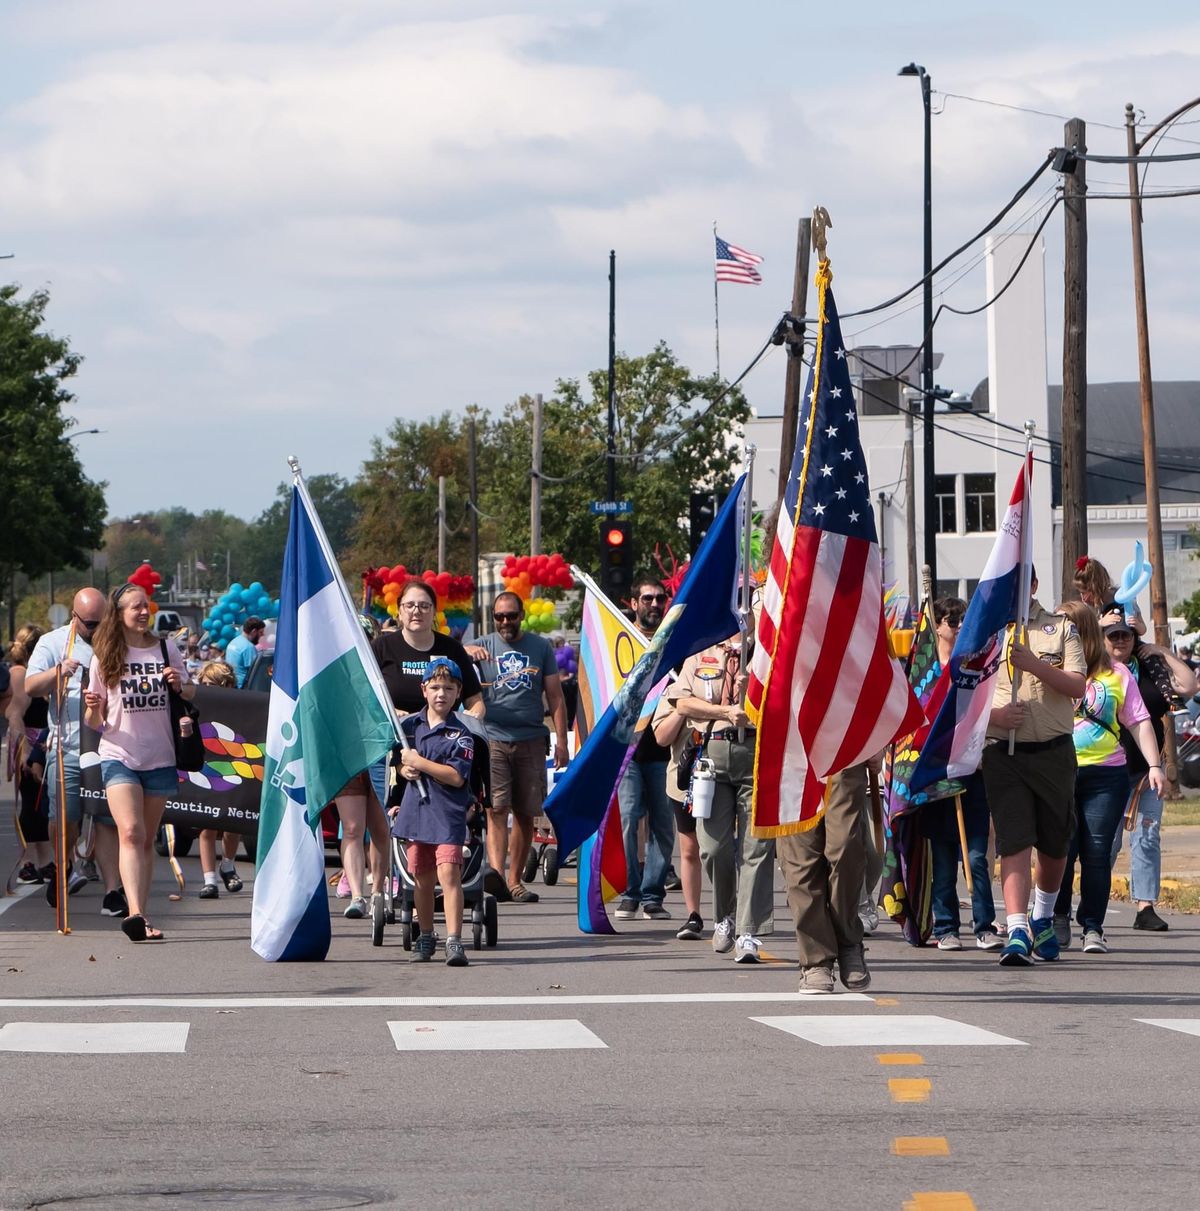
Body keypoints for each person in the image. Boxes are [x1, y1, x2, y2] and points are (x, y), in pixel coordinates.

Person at [982, 572, 1087, 966]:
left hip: (1053, 752)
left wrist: (1032, 664)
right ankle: (1016, 928)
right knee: (1014, 839)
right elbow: (965, 693)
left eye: (1021, 582)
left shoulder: (1060, 629)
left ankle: (1042, 914)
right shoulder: (986, 633)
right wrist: (996, 716)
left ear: (1034, 585)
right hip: (1003, 754)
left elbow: (1077, 685)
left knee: (1055, 842)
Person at [83, 582, 195, 942]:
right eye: (135, 607)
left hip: (160, 756)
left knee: (145, 840)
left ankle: (142, 913)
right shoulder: (104, 656)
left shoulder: (167, 649)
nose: (144, 612)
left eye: (146, 606)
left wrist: (179, 682)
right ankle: (135, 915)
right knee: (130, 832)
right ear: (119, 615)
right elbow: (94, 724)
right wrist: (92, 708)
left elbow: (191, 693)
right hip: (118, 756)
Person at [1050, 603, 1164, 954]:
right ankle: (1057, 917)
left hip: (1107, 775)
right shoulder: (1052, 670)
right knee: (1063, 852)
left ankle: (1093, 927)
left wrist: (1155, 765)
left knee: (1097, 853)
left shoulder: (1117, 674)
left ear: (1081, 631)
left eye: (1064, 627)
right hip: (1059, 772)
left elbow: (1139, 721)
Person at [667, 635, 775, 960]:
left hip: (757, 751)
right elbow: (682, 702)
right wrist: (725, 710)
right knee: (713, 849)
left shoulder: (769, 651)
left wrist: (752, 692)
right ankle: (725, 915)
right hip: (712, 753)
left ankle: (748, 931)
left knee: (756, 848)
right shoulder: (702, 653)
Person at [24, 588, 125, 916]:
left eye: (101, 622)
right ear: (74, 617)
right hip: (67, 746)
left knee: (107, 819)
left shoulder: (117, 641)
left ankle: (112, 891)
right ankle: (63, 864)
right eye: (89, 624)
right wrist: (59, 671)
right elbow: (29, 687)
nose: (96, 630)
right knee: (64, 819)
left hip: (112, 747)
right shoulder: (53, 643)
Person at [465, 592, 568, 905]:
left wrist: (562, 739)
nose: (505, 622)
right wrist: (463, 650)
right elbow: (445, 659)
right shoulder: (483, 645)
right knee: (496, 809)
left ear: (521, 615)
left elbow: (556, 696)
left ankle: (514, 880)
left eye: (511, 615)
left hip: (531, 738)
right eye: (500, 617)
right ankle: (495, 875)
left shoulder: (540, 647)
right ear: (493, 618)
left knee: (525, 812)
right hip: (493, 737)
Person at [1104, 619, 1195, 933]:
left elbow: (1190, 685)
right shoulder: (1095, 670)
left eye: (1125, 635)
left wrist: (1160, 650)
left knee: (1147, 837)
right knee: (1107, 842)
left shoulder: (1149, 668)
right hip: (1107, 770)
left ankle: (1145, 907)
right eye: (1113, 635)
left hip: (1147, 771)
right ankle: (1093, 903)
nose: (1120, 641)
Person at [923, 598, 1002, 952]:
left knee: (975, 855)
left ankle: (984, 924)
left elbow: (983, 712)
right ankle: (946, 926)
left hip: (973, 771)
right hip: (937, 775)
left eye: (962, 622)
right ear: (937, 625)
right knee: (942, 857)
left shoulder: (974, 669)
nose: (957, 627)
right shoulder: (926, 673)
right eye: (951, 621)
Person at [391, 657, 476, 967]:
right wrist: (405, 769)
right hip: (416, 814)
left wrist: (419, 763)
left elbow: (456, 776)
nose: (441, 694)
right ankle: (426, 935)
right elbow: (399, 765)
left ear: (458, 693)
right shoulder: (409, 728)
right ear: (423, 689)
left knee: (449, 875)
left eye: (449, 688)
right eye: (436, 687)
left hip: (448, 815)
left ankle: (455, 940)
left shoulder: (461, 734)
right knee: (421, 878)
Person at [613, 579, 676, 922]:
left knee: (663, 826)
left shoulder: (673, 643)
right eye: (647, 598)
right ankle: (630, 892)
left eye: (659, 598)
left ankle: (653, 894)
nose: (654, 603)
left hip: (663, 748)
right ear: (634, 603)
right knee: (628, 818)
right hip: (627, 750)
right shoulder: (621, 639)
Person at [191, 660, 246, 901]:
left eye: (211, 684)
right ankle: (209, 880)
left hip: (232, 766)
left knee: (232, 823)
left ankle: (227, 865)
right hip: (204, 767)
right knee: (206, 825)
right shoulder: (196, 704)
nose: (206, 688)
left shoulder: (239, 705)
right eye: (203, 684)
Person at [651, 693, 704, 940]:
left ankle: (731, 913)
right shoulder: (674, 688)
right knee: (690, 849)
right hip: (685, 781)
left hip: (724, 775)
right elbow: (662, 737)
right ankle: (694, 915)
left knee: (718, 850)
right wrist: (681, 708)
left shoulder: (730, 675)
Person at [5, 625, 54, 884]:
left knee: (41, 804)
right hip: (30, 745)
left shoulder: (33, 673)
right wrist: (25, 752)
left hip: (42, 743)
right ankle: (33, 863)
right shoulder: (21, 673)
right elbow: (14, 715)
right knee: (35, 805)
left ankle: (41, 862)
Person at [1073, 555, 1146, 637]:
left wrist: (1137, 624)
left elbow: (1143, 630)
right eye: (1080, 593)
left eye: (1084, 593)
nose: (1083, 598)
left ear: (1096, 588)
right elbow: (1081, 631)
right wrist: (1100, 623)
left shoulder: (1123, 598)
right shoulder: (1087, 607)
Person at [224, 616, 265, 688]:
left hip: (231, 685)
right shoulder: (248, 647)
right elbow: (255, 673)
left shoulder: (233, 642)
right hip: (242, 688)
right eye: (260, 632)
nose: (262, 635)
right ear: (254, 631)